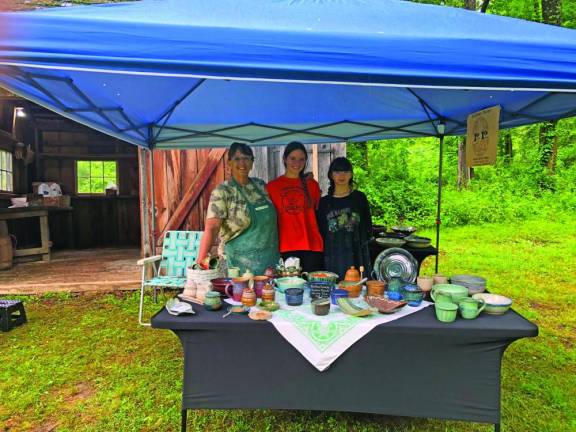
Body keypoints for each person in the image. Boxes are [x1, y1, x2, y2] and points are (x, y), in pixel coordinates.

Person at [197, 142, 279, 276]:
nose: (243, 163)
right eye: (237, 158)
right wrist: (200, 262)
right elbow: (211, 228)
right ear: (229, 163)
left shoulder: (260, 186)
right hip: (238, 267)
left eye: (247, 158)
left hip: (269, 264)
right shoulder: (222, 192)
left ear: (252, 163)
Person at [266, 141, 324, 272]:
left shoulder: (312, 185)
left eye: (301, 159)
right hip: (286, 246)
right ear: (284, 159)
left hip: (312, 245)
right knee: (290, 289)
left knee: (313, 289)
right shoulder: (271, 187)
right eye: (292, 158)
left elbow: (318, 214)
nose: (297, 163)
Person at [317, 157, 373, 279]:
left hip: (356, 251)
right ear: (331, 175)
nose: (341, 175)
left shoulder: (359, 198)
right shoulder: (324, 203)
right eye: (337, 171)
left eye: (346, 171)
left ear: (351, 174)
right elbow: (321, 232)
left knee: (356, 288)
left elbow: (367, 226)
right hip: (332, 254)